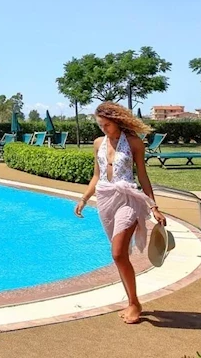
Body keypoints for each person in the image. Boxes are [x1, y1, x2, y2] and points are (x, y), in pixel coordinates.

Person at [74, 101, 167, 325]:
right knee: (121, 254)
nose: (103, 128)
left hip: (128, 199)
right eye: (100, 125)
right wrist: (84, 199)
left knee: (117, 253)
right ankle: (131, 301)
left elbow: (142, 176)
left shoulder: (134, 143)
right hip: (105, 199)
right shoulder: (99, 143)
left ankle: (134, 303)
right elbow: (97, 176)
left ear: (116, 121)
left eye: (106, 124)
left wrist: (153, 206)